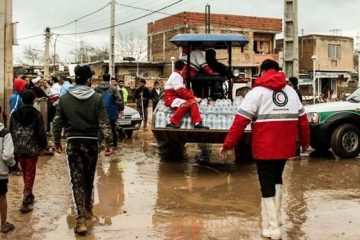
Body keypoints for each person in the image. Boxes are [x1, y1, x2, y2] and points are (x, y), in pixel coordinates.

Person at [220, 59, 310, 240]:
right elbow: (303, 121)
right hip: (285, 147)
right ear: (278, 71)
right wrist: (305, 142)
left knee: (266, 185)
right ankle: (276, 218)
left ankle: (273, 228)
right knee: (277, 179)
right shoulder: (291, 92)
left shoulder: (256, 93)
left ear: (261, 72)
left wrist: (228, 144)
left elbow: (240, 122)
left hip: (265, 148)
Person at [52, 65, 113, 235]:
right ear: (88, 79)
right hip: (92, 143)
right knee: (89, 177)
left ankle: (81, 219)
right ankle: (87, 211)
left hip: (73, 143)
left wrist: (56, 141)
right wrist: (110, 143)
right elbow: (104, 123)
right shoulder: (97, 98)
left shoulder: (64, 99)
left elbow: (57, 122)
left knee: (76, 180)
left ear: (75, 78)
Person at [9, 90, 47, 214]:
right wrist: (43, 146)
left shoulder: (14, 114)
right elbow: (41, 132)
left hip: (18, 148)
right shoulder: (37, 114)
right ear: (33, 100)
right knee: (30, 172)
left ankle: (29, 192)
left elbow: (11, 131)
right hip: (32, 149)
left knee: (26, 171)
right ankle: (26, 198)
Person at [163, 60, 209, 129]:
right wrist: (194, 97)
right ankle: (173, 122)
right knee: (187, 103)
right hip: (171, 99)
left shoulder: (176, 75)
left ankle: (197, 123)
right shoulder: (176, 76)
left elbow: (183, 91)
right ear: (184, 68)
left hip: (173, 98)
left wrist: (193, 98)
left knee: (193, 102)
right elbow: (181, 91)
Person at [95, 73, 124, 150]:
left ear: (102, 78)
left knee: (100, 128)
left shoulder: (97, 88)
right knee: (112, 128)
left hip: (100, 112)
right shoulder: (113, 88)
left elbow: (93, 99)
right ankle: (114, 145)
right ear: (109, 79)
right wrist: (121, 109)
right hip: (112, 112)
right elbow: (119, 100)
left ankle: (99, 143)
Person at [0, 106, 16, 233]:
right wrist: (12, 164)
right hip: (0, 172)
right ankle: (3, 224)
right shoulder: (4, 132)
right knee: (1, 196)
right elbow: (8, 155)